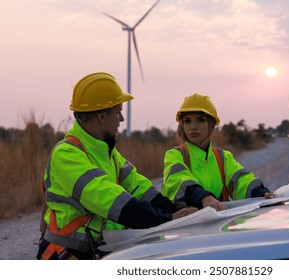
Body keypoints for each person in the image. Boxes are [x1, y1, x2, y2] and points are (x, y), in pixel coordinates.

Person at [36, 72, 197, 260]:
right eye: (118, 112)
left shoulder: (107, 152)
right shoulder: (66, 155)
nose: (121, 119)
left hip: (95, 253)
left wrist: (175, 212)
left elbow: (140, 188)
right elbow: (112, 201)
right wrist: (166, 220)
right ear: (102, 116)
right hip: (67, 256)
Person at [162, 93, 273, 211]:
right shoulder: (174, 155)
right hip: (185, 226)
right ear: (182, 125)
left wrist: (260, 193)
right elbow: (179, 180)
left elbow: (242, 181)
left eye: (200, 120)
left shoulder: (223, 157)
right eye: (187, 121)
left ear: (212, 124)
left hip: (219, 225)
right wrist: (203, 197)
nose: (193, 126)